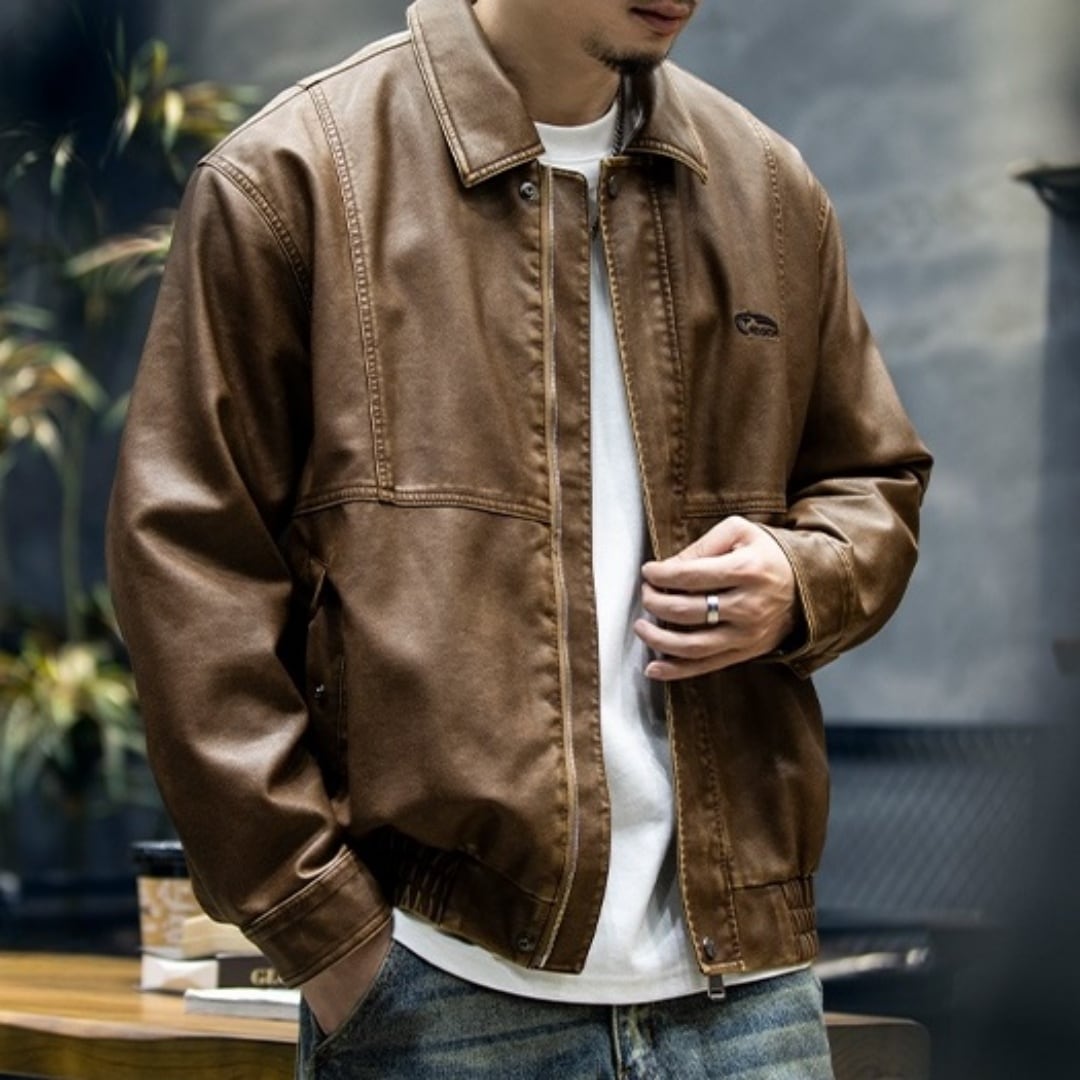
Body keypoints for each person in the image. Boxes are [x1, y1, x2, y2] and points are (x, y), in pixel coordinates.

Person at [107, 0, 932, 1075]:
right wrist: (333, 940)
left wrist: (800, 574)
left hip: (746, 989)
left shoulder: (765, 186)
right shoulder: (296, 177)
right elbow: (189, 570)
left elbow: (873, 483)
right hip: (439, 980)